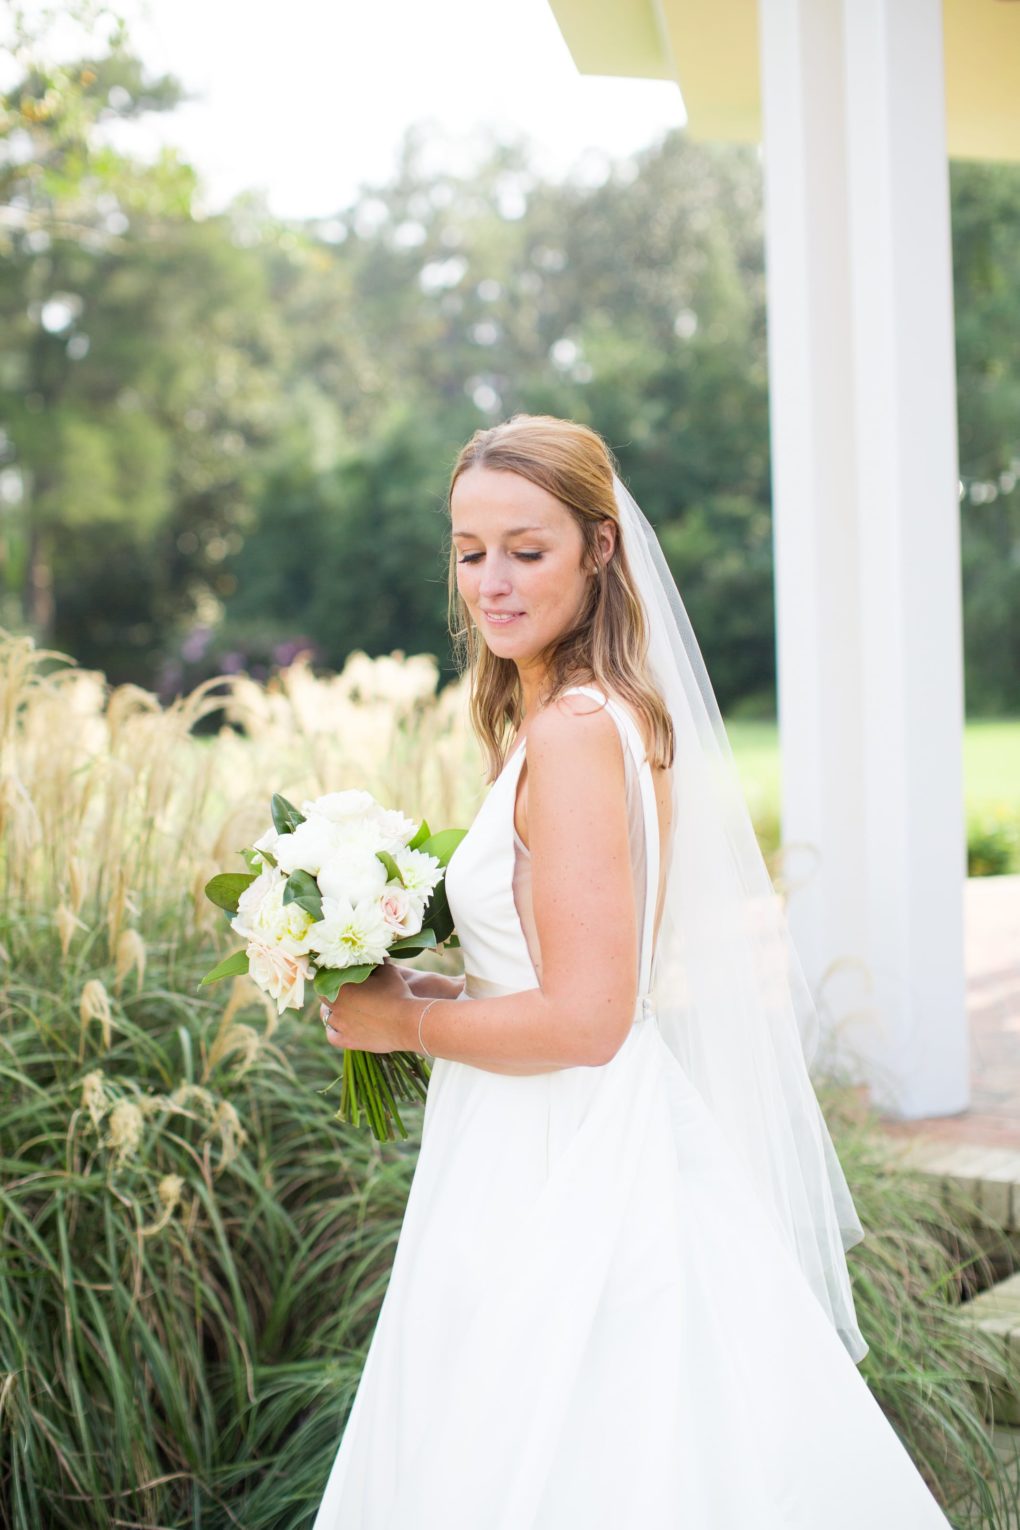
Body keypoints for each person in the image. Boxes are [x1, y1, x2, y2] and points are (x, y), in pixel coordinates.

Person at [311, 414, 954, 1527]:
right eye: (470, 551)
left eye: (529, 548)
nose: (493, 583)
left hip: (560, 1153)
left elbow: (587, 1020)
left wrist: (402, 1027)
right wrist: (428, 991)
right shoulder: (608, 717)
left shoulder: (570, 732)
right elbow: (572, 981)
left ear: (600, 550)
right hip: (550, 1131)